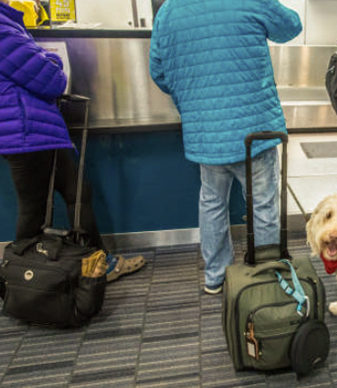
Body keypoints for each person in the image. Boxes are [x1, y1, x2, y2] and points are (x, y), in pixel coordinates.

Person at [149, 0, 302, 295]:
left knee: (212, 202)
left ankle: (216, 276)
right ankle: (265, 272)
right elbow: (291, 26)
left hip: (205, 130)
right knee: (262, 204)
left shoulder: (169, 9)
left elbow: (159, 71)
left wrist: (194, 99)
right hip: (254, 130)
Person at [0, 0, 146, 282]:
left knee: (77, 195)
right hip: (26, 132)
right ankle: (22, 283)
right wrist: (51, 59)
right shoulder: (3, 28)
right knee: (35, 211)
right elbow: (52, 80)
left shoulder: (9, 24)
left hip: (36, 131)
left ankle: (100, 264)